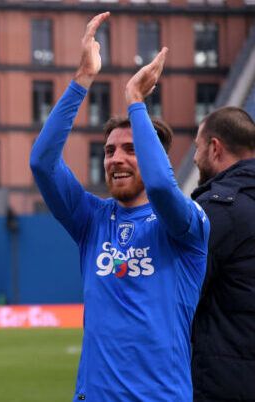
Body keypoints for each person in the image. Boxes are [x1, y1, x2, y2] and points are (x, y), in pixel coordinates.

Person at [29, 12, 209, 401]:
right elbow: (42, 162)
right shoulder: (92, 219)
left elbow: (161, 185)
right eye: (109, 151)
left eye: (130, 150)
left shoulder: (186, 224)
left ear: (154, 155)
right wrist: (82, 77)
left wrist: (135, 100)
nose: (115, 159)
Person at [190, 106, 255, 401]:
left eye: (197, 147)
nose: (194, 157)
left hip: (224, 381)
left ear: (215, 148)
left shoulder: (218, 210)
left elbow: (181, 293)